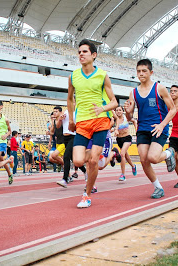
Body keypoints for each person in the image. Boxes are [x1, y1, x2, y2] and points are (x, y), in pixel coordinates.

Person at [67, 39, 118, 208]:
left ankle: (86, 195)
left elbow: (114, 102)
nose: (81, 54)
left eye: (85, 52)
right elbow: (69, 99)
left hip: (101, 122)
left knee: (93, 161)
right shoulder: (73, 76)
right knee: (78, 161)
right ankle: (102, 155)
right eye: (79, 52)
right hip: (82, 122)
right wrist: (72, 120)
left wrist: (103, 109)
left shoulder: (102, 75)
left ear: (93, 55)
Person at [124, 59, 177, 199]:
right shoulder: (133, 92)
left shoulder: (159, 88)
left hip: (158, 128)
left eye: (144, 71)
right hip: (142, 129)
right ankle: (158, 187)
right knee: (143, 159)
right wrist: (128, 112)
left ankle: (168, 153)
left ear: (151, 72)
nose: (141, 74)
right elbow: (129, 118)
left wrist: (162, 125)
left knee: (152, 158)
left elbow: (173, 109)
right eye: (138, 71)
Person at [56, 106, 87, 188]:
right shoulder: (65, 112)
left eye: (73, 101)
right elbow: (58, 126)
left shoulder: (78, 112)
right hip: (65, 137)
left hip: (74, 136)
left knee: (66, 156)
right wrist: (60, 119)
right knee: (74, 160)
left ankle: (65, 179)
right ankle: (85, 171)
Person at [113, 106, 138, 181]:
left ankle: (123, 174)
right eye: (117, 110)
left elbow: (134, 121)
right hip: (119, 139)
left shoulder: (126, 117)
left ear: (122, 111)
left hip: (127, 138)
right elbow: (113, 127)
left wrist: (136, 131)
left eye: (120, 110)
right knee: (126, 156)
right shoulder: (115, 119)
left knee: (122, 154)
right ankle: (133, 166)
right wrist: (114, 130)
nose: (118, 111)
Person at [49, 106, 65, 172]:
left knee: (54, 155)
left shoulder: (63, 120)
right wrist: (53, 122)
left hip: (64, 142)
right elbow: (52, 132)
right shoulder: (55, 121)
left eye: (56, 112)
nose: (54, 113)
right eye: (54, 112)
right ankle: (67, 173)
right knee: (51, 158)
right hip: (58, 142)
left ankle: (66, 167)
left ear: (60, 112)